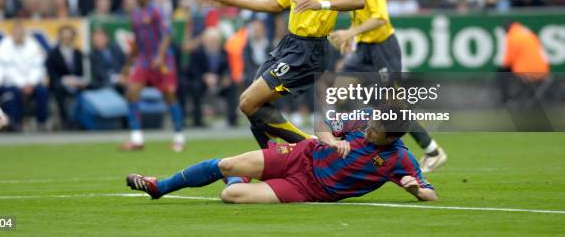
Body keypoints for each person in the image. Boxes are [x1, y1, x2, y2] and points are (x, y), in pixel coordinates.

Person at [200, 0, 365, 148]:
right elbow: (276, 3)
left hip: (308, 49)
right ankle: (275, 161)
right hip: (289, 44)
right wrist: (228, 0)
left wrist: (321, 4)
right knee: (254, 107)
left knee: (247, 102)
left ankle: (312, 146)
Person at [126, 106, 437, 203]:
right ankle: (159, 187)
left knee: (231, 195)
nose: (369, 129)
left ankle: (243, 177)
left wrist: (414, 189)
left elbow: (430, 195)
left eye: (376, 131)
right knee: (226, 163)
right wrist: (328, 139)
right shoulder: (363, 117)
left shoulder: (400, 159)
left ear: (393, 137)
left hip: (310, 189)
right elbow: (324, 123)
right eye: (371, 124)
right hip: (301, 154)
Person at [329, 0, 447, 173]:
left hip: (383, 49)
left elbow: (380, 18)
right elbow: (361, 15)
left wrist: (350, 33)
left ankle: (432, 150)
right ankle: (337, 145)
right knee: (341, 89)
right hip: (364, 49)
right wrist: (352, 35)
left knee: (394, 106)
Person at [119, 0, 185, 152]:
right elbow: (136, 42)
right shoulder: (135, 15)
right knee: (132, 92)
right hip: (144, 60)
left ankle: (179, 137)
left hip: (163, 60)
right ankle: (137, 139)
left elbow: (167, 34)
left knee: (169, 95)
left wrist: (160, 56)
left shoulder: (156, 10)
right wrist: (127, 65)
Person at [0, 20, 49, 131]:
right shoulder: (4, 46)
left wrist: (30, 83)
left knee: (42, 91)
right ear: (12, 33)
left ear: (24, 33)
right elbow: (6, 69)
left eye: (21, 32)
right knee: (13, 92)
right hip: (13, 83)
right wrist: (22, 84)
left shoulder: (33, 45)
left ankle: (41, 122)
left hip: (31, 82)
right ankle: (16, 123)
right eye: (16, 32)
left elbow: (37, 66)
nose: (18, 35)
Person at [46, 25, 87, 129]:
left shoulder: (78, 53)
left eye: (69, 38)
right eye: (64, 38)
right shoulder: (53, 54)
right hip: (60, 84)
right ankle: (65, 121)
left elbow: (81, 73)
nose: (67, 40)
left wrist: (77, 81)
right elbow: (52, 74)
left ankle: (81, 120)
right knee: (59, 91)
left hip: (76, 84)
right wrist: (65, 81)